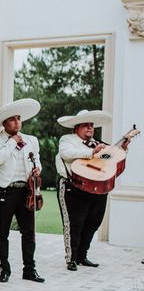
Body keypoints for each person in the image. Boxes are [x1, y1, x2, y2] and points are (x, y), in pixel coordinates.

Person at [55, 110, 129, 271]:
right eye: (85, 125)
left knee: (93, 222)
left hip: (96, 188)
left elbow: (112, 164)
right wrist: (91, 152)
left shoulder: (99, 143)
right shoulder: (68, 140)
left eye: (91, 125)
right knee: (74, 224)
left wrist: (122, 149)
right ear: (76, 128)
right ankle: (72, 258)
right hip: (72, 187)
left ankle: (82, 256)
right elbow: (66, 154)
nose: (89, 128)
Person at [0, 99, 45, 283]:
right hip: (5, 191)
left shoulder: (31, 140)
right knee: (2, 232)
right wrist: (12, 141)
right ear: (4, 123)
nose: (17, 122)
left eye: (19, 118)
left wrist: (38, 169)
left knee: (29, 232)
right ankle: (4, 270)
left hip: (26, 191)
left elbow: (38, 160)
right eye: (12, 119)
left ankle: (30, 270)